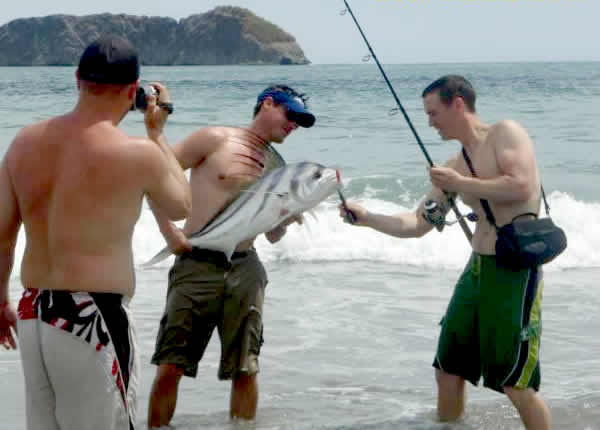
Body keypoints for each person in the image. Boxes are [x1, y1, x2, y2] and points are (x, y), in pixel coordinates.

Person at [0, 35, 191, 430]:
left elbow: (3, 233)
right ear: (132, 91)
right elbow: (181, 205)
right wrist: (157, 133)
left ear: (77, 79)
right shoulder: (137, 152)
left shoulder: (23, 142)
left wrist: (0, 300)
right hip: (91, 317)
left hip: (33, 310)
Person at [340, 75, 551, 430]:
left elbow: (521, 184)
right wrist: (367, 218)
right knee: (448, 368)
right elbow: (418, 224)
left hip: (514, 269)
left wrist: (460, 185)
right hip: (477, 270)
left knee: (516, 381)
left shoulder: (505, 133)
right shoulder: (453, 164)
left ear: (458, 104)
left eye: (433, 112)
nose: (430, 122)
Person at [147, 85, 315, 427]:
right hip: (195, 264)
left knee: (246, 369)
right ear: (267, 103)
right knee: (171, 366)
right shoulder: (213, 138)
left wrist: (285, 218)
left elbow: (271, 234)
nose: (293, 124)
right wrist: (169, 231)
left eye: (299, 122)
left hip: (245, 268)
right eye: (290, 115)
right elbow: (153, 175)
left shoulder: (278, 167)